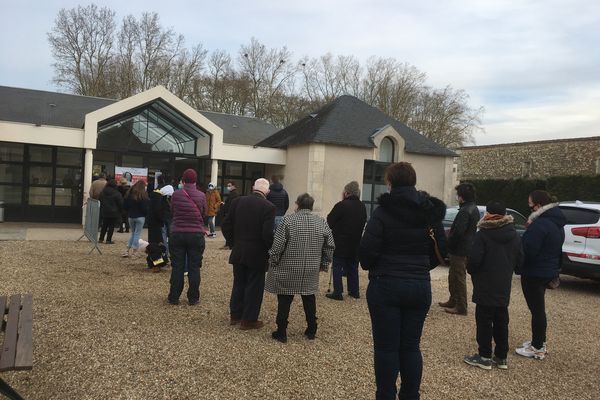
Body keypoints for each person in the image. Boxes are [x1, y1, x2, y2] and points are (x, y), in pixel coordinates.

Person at [358, 162, 446, 400]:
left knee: (386, 348)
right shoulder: (428, 212)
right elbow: (441, 249)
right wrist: (419, 267)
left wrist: (379, 264)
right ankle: (410, 396)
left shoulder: (382, 212)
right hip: (418, 285)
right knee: (410, 346)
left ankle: (385, 395)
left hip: (386, 284)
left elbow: (366, 254)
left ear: (390, 183)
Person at [266, 193, 335, 343]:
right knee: (309, 297)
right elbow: (330, 246)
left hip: (287, 267)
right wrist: (323, 264)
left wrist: (274, 261)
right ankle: (311, 329)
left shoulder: (287, 220)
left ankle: (282, 331)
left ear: (297, 204)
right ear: (311, 205)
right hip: (311, 268)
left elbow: (277, 246)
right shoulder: (321, 222)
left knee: (284, 298)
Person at [463, 201, 523, 370]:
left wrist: (471, 270)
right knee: (502, 320)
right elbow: (520, 262)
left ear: (488, 214)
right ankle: (501, 356)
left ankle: (484, 355)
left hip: (485, 282)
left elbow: (474, 261)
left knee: (484, 320)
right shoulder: (514, 234)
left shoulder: (483, 234)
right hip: (503, 283)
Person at [515, 190, 565, 360]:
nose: (528, 205)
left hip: (535, 272)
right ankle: (538, 342)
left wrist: (518, 263)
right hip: (546, 270)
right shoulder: (555, 222)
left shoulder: (540, 224)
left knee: (537, 310)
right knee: (538, 309)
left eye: (529, 202)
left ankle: (538, 347)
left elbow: (529, 250)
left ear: (537, 204)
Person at [221, 178, 275, 330]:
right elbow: (267, 234)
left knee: (239, 283)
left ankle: (235, 315)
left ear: (253, 188)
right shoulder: (269, 207)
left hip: (239, 250)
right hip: (257, 253)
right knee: (254, 286)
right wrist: (270, 249)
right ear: (268, 192)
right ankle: (249, 319)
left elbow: (226, 225)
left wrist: (233, 243)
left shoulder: (237, 202)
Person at [167, 169, 207, 305]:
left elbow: (172, 211)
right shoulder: (201, 195)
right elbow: (204, 213)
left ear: (183, 180)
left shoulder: (176, 195)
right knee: (194, 267)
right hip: (196, 234)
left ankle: (174, 297)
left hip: (177, 233)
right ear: (195, 181)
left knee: (177, 266)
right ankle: (193, 298)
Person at [439, 182, 480, 315]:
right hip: (465, 247)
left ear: (462, 197)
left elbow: (458, 232)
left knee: (458, 277)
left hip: (460, 249)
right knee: (453, 276)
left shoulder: (465, 211)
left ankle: (461, 306)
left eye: (458, 195)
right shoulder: (473, 208)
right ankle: (453, 300)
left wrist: (448, 244)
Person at [325, 181, 367, 300]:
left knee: (337, 266)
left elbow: (330, 221)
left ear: (347, 193)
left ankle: (338, 292)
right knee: (353, 267)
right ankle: (354, 291)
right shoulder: (362, 206)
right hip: (356, 242)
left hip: (341, 242)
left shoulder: (341, 205)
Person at [122, 181, 150, 258]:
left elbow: (125, 206)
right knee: (137, 234)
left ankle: (126, 250)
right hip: (140, 217)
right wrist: (146, 214)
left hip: (131, 216)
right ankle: (134, 252)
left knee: (133, 233)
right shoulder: (143, 195)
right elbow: (145, 208)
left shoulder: (129, 194)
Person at [98, 179, 123, 244]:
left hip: (105, 211)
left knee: (104, 225)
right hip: (114, 212)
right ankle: (108, 240)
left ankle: (101, 239)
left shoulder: (103, 192)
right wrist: (121, 210)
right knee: (111, 226)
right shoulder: (117, 193)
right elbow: (120, 203)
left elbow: (100, 199)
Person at [220, 181, 240, 249]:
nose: (228, 187)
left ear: (234, 186)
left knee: (225, 228)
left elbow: (231, 204)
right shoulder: (232, 193)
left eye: (229, 185)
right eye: (227, 185)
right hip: (229, 213)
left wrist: (224, 205)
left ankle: (230, 244)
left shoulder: (234, 194)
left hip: (230, 214)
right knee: (228, 229)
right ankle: (228, 243)